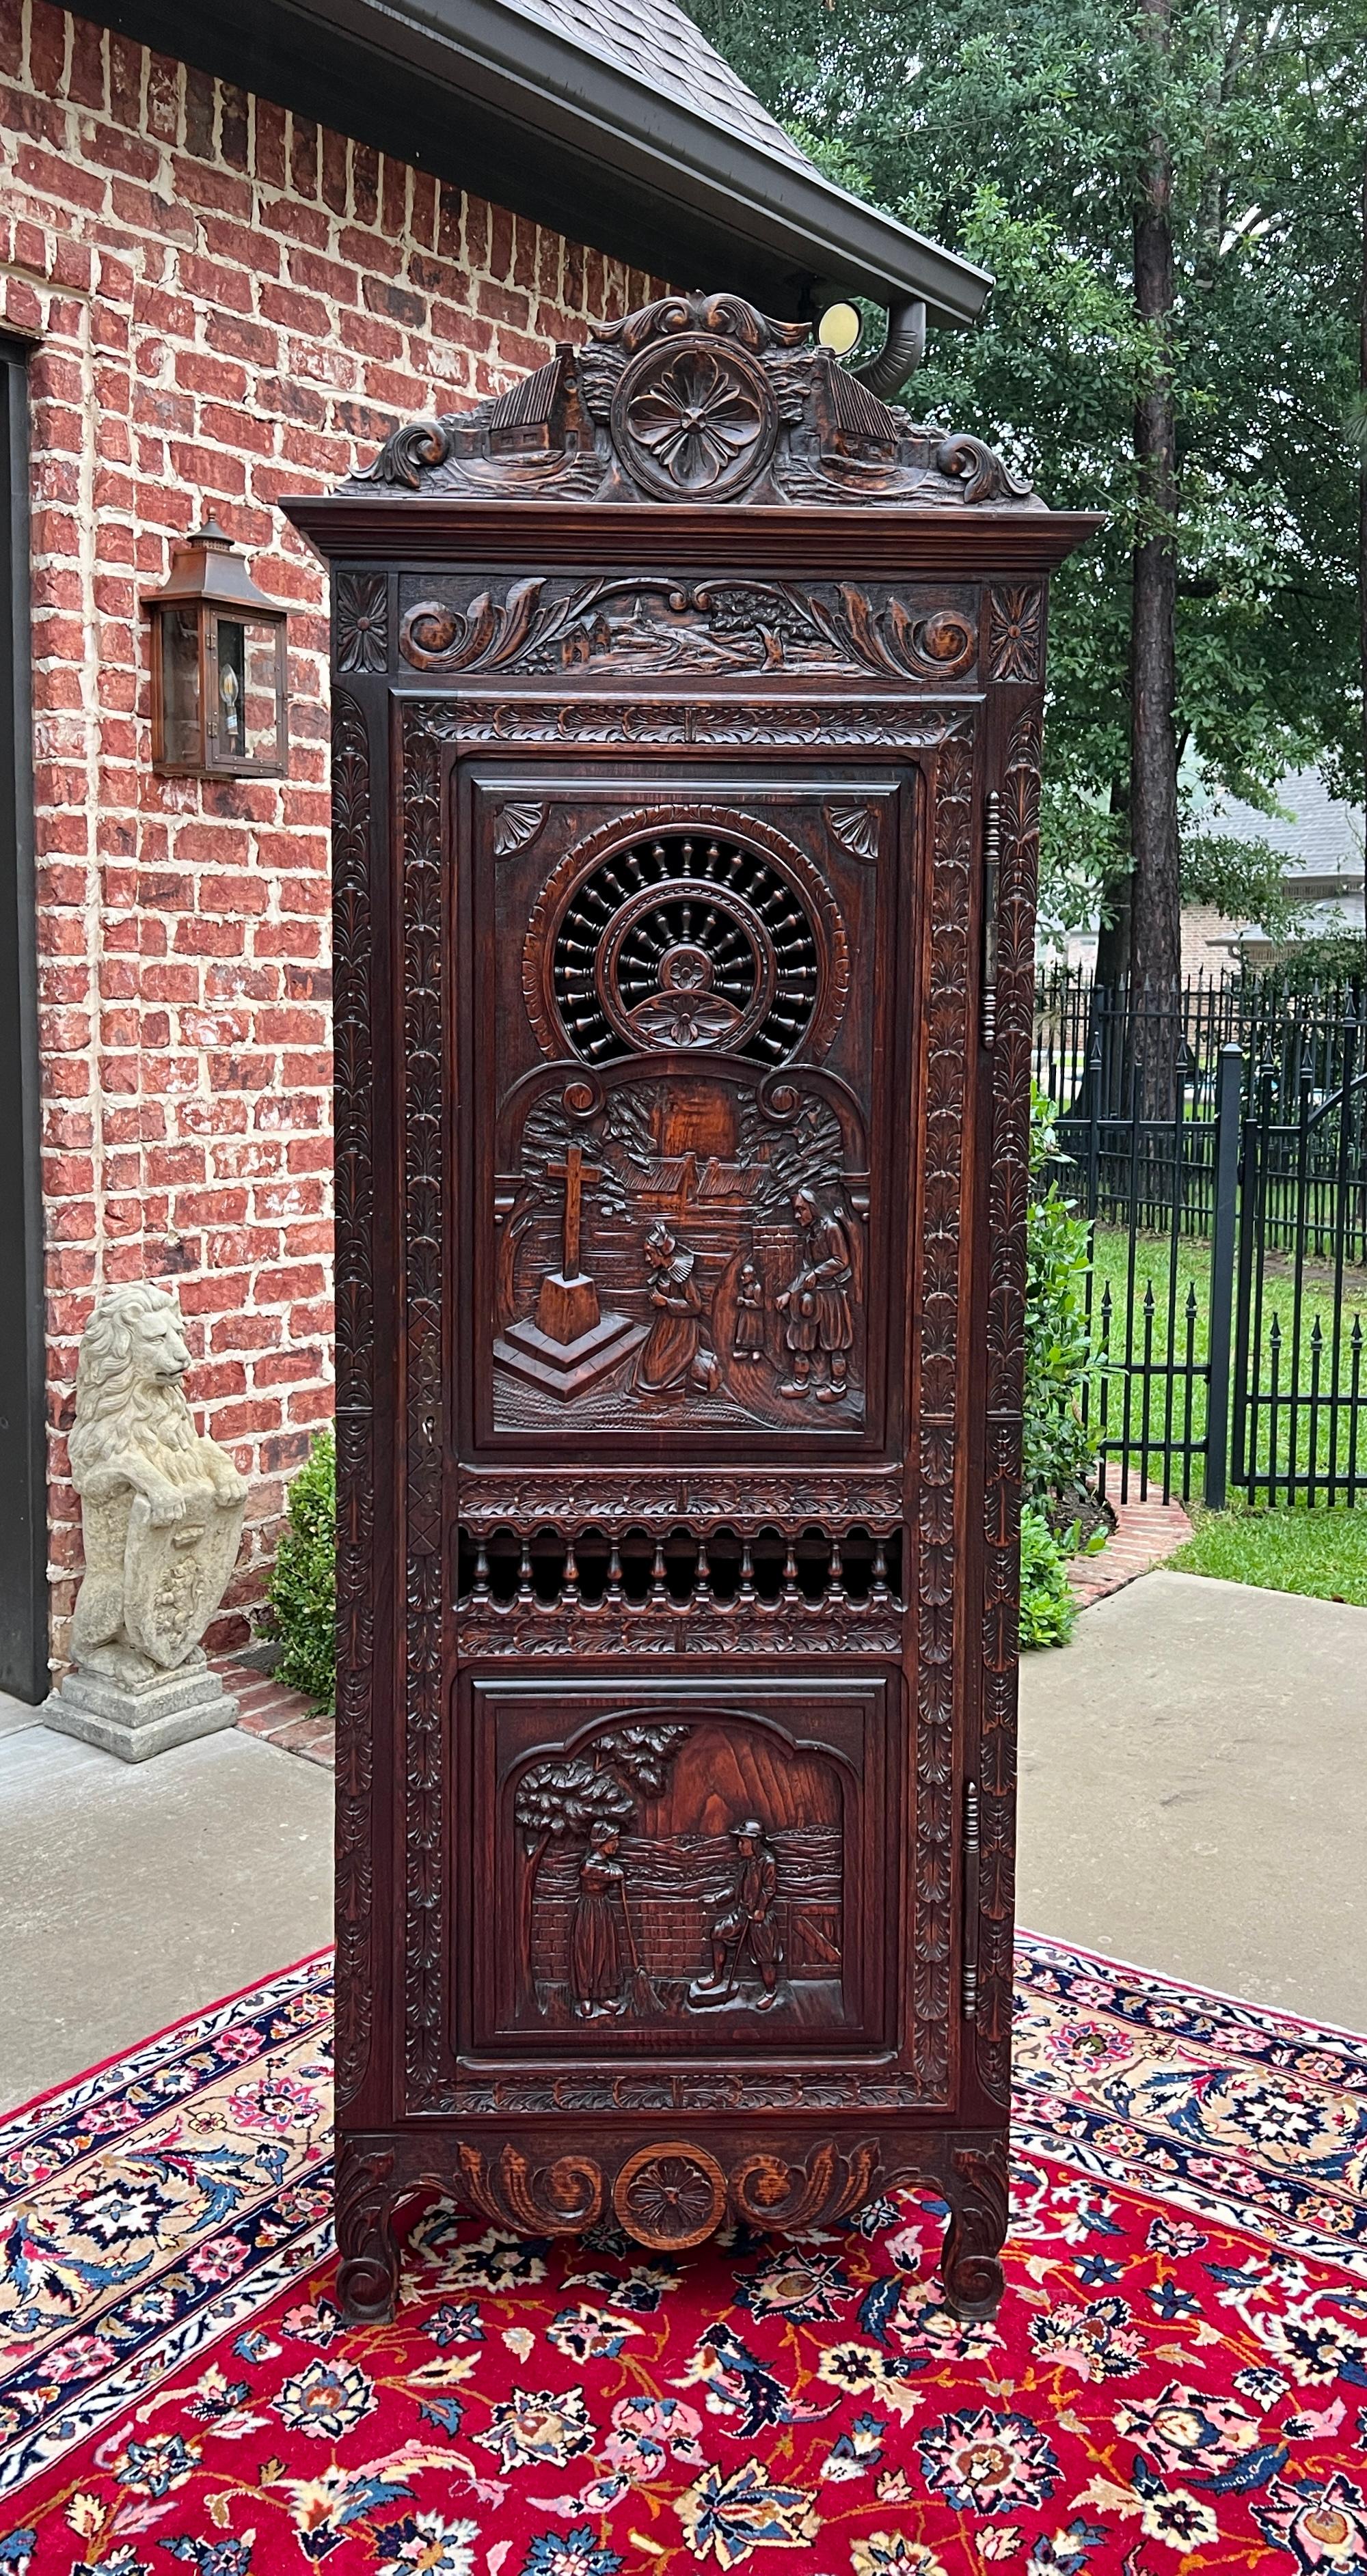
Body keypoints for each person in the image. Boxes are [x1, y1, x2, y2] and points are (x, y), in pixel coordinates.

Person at [690, 1820, 784, 2010]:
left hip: (760, 1918)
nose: (739, 1846)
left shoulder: (767, 1862)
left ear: (755, 1842)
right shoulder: (745, 1865)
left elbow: (769, 1888)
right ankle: (717, 1977)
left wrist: (761, 1909)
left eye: (743, 1842)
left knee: (765, 1957)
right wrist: (716, 1898)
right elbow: (734, 1889)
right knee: (717, 1932)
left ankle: (771, 1991)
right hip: (742, 1913)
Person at [775, 1188, 854, 1401]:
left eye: (801, 1210)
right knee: (802, 1339)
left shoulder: (831, 1229)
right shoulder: (810, 1235)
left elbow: (842, 1260)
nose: (797, 1216)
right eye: (796, 1211)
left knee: (835, 1342)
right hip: (813, 1297)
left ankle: (838, 1387)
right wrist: (789, 1293)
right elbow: (804, 1269)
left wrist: (817, 1274)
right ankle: (801, 1383)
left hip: (831, 1296)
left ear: (812, 1207)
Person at [632, 1222, 718, 1397]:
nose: (647, 1259)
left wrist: (665, 1302)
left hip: (681, 1332)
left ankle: (707, 1369)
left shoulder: (681, 1273)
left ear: (661, 1252)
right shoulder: (664, 1271)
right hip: (665, 1328)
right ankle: (700, 1367)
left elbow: (695, 1306)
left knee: (655, 1375)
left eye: (650, 1253)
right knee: (648, 1370)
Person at [570, 1822, 628, 2018]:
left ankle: (604, 1995)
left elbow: (613, 1871)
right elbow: (607, 1874)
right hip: (590, 1911)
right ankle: (586, 1997)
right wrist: (616, 1873)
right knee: (588, 1953)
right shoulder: (590, 1865)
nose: (617, 1845)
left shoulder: (603, 1863)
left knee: (605, 1952)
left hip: (603, 1909)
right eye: (614, 1841)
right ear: (602, 1843)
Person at [732, 1257, 766, 1356]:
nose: (742, 1278)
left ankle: (756, 1350)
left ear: (751, 1276)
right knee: (744, 1330)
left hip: (755, 1316)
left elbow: (760, 1304)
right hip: (746, 1315)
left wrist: (745, 1302)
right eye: (742, 1275)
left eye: (745, 1275)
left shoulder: (757, 1288)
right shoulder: (745, 1287)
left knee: (754, 1333)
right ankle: (744, 1349)